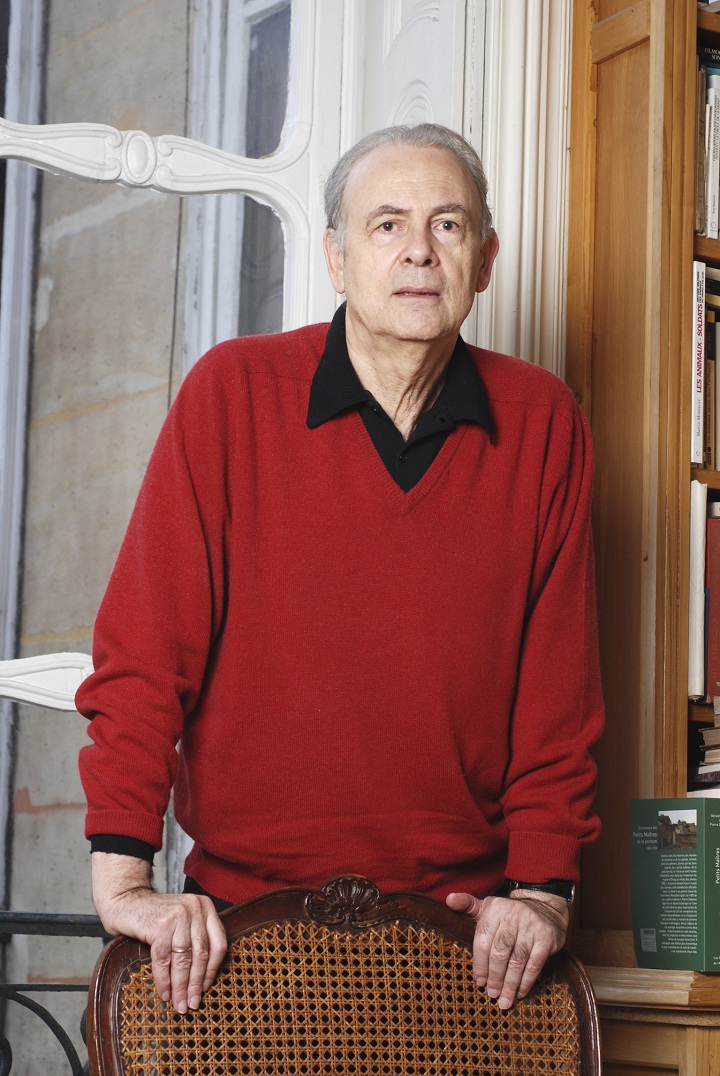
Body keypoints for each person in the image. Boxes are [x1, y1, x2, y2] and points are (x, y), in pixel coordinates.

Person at [77, 123, 604, 1019]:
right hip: (242, 933)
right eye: (387, 225)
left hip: (462, 943)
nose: (419, 251)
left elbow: (560, 698)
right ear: (336, 258)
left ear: (484, 261)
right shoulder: (232, 395)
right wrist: (124, 881)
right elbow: (143, 660)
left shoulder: (544, 422)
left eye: (448, 225)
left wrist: (543, 891)